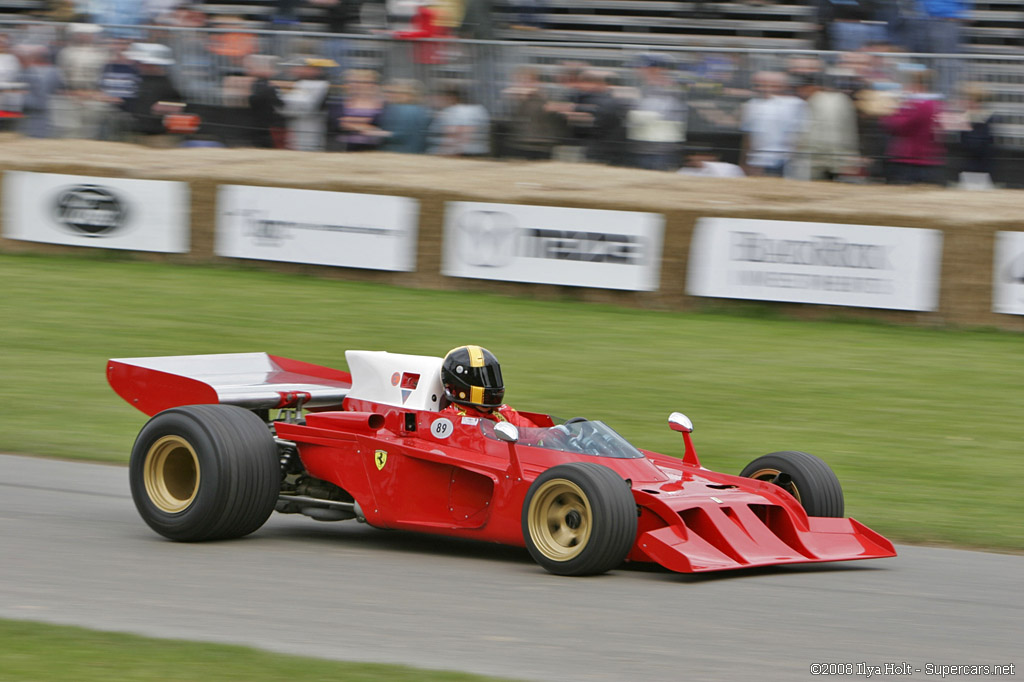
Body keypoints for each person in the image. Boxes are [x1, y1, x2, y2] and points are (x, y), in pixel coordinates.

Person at [439, 345, 536, 428]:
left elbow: (534, 433)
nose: (489, 385)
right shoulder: (450, 421)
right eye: (479, 380)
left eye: (491, 377)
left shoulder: (503, 413)